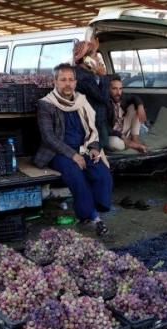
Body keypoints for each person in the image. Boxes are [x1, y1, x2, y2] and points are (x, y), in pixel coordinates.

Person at [35, 63, 113, 235]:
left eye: (71, 79)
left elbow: (92, 129)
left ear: (76, 82)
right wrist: (73, 155)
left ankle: (92, 209)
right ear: (55, 81)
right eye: (63, 80)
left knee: (102, 173)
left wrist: (93, 147)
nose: (68, 83)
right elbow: (49, 137)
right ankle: (91, 216)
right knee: (76, 175)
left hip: (84, 149)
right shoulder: (46, 104)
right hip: (59, 152)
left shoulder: (81, 101)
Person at [73, 39, 111, 149]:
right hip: (93, 123)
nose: (98, 59)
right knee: (100, 148)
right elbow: (103, 97)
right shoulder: (83, 77)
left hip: (96, 120)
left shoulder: (85, 73)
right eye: (95, 55)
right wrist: (103, 76)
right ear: (86, 59)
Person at [106, 74, 148, 154]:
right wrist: (122, 136)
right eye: (114, 89)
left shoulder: (121, 96)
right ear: (107, 89)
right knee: (113, 142)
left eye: (120, 89)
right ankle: (131, 144)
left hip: (123, 128)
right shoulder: (103, 102)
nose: (118, 92)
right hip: (113, 134)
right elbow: (104, 128)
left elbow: (134, 98)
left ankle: (135, 139)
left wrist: (140, 105)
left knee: (134, 106)